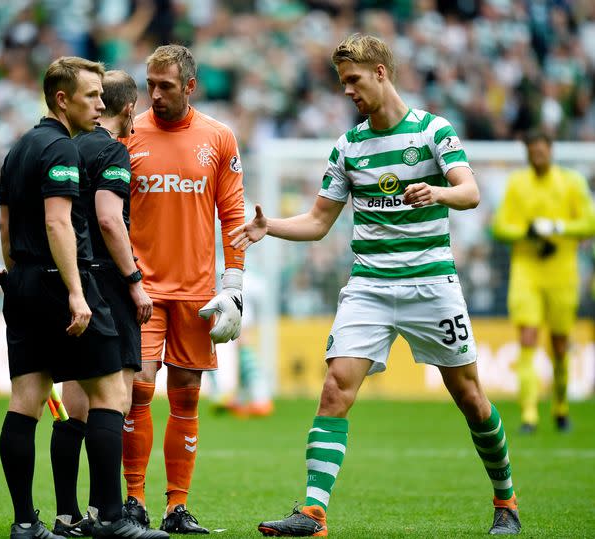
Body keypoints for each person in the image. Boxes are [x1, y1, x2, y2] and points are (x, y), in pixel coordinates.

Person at [231, 34, 521, 536]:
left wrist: (439, 191)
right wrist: (269, 226)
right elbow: (320, 221)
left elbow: (471, 193)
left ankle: (506, 502)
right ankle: (313, 514)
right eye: (343, 83)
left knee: (470, 397)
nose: (347, 91)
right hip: (368, 286)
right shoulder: (349, 146)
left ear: (382, 72)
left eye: (354, 80)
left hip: (432, 285)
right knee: (334, 390)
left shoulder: (434, 130)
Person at [0, 56, 141, 539]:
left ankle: (25, 523)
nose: (101, 104)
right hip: (63, 283)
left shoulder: (19, 148)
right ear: (63, 99)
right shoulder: (61, 149)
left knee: (26, 401)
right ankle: (110, 520)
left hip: (21, 282)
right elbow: (59, 222)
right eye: (91, 96)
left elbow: (5, 223)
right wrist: (77, 293)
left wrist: (17, 275)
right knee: (109, 393)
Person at [122, 44, 246, 535]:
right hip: (142, 289)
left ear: (190, 86)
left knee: (188, 396)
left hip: (197, 293)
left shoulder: (218, 137)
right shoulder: (128, 132)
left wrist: (234, 284)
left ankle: (176, 507)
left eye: (165, 86)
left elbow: (233, 213)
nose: (154, 94)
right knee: (138, 389)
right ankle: (133, 500)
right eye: (150, 83)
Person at [49, 70, 165, 539]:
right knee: (113, 400)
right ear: (130, 108)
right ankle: (110, 517)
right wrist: (134, 281)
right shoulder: (112, 150)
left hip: (65, 280)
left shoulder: (63, 148)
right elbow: (109, 219)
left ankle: (66, 516)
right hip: (103, 284)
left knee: (73, 404)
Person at [491, 130, 595, 434]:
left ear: (551, 150)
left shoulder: (572, 182)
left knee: (560, 345)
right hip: (527, 272)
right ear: (527, 153)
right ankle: (529, 415)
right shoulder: (517, 183)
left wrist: (556, 227)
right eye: (532, 151)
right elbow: (500, 226)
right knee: (527, 338)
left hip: (562, 273)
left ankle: (560, 408)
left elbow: (589, 222)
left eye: (542, 150)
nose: (537, 156)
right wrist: (529, 233)